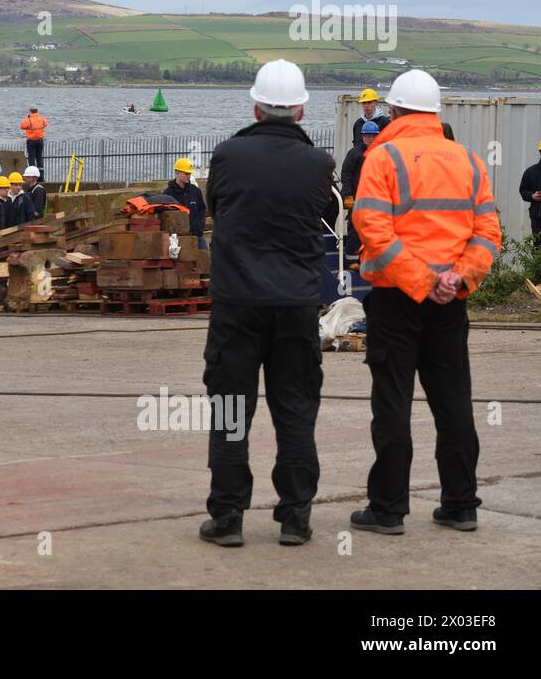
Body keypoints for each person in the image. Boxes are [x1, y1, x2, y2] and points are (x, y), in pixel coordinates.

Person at [349, 69, 500, 536]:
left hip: (397, 299)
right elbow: (488, 232)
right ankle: (460, 504)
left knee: (392, 402)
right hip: (451, 301)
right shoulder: (469, 160)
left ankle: (389, 508)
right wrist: (457, 277)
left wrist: (420, 280)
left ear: (392, 111)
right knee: (453, 402)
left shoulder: (383, 156)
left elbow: (372, 227)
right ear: (437, 112)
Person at [199, 59, 337, 549]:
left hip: (237, 303)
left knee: (232, 410)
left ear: (256, 107)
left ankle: (228, 516)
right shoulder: (320, 163)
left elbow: (215, 208)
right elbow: (326, 214)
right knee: (296, 410)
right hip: (296, 305)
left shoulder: (227, 155)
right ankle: (296, 517)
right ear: (300, 110)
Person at [339, 120, 379, 259]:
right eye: (367, 136)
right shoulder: (354, 154)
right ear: (362, 137)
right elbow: (346, 175)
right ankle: (351, 259)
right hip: (355, 199)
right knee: (354, 228)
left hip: (375, 200)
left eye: (373, 136)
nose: (370, 138)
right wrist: (347, 196)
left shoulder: (381, 153)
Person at [162, 158, 206, 245]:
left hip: (197, 235)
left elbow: (202, 210)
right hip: (177, 239)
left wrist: (200, 227)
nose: (189, 175)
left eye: (190, 173)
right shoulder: (168, 193)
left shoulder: (195, 191)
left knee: (206, 257)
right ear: (177, 172)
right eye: (186, 173)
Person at [519, 138, 541, 257]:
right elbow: (523, 191)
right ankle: (539, 276)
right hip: (537, 219)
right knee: (538, 251)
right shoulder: (530, 172)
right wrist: (532, 196)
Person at [20, 108, 47, 178]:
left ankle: (33, 176)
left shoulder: (28, 119)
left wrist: (26, 118)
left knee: (31, 158)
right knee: (39, 158)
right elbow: (45, 124)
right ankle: (41, 177)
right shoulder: (41, 118)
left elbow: (22, 126)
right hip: (40, 141)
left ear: (30, 111)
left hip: (31, 141)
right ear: (37, 111)